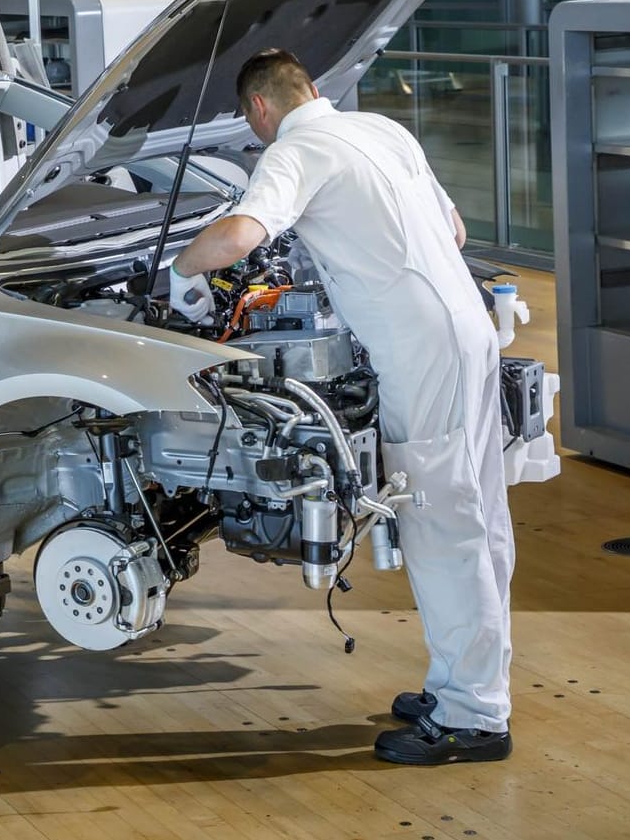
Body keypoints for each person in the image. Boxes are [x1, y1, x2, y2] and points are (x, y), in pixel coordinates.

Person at [168, 49, 512, 766]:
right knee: (478, 508)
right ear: (313, 88)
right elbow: (452, 231)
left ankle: (472, 715)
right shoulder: (381, 129)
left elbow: (239, 235)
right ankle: (463, 683)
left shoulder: (295, 150)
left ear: (258, 110)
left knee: (440, 523)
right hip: (469, 328)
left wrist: (179, 271)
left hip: (418, 349)